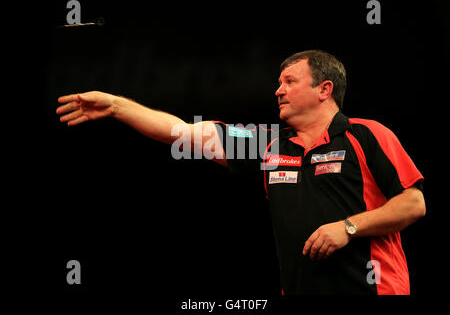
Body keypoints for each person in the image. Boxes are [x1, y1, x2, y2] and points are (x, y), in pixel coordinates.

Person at [56, 49, 425, 295]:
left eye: (289, 82)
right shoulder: (266, 145)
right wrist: (117, 106)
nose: (277, 90)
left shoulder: (367, 133)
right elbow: (183, 133)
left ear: (324, 89)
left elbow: (413, 204)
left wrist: (348, 227)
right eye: (279, 82)